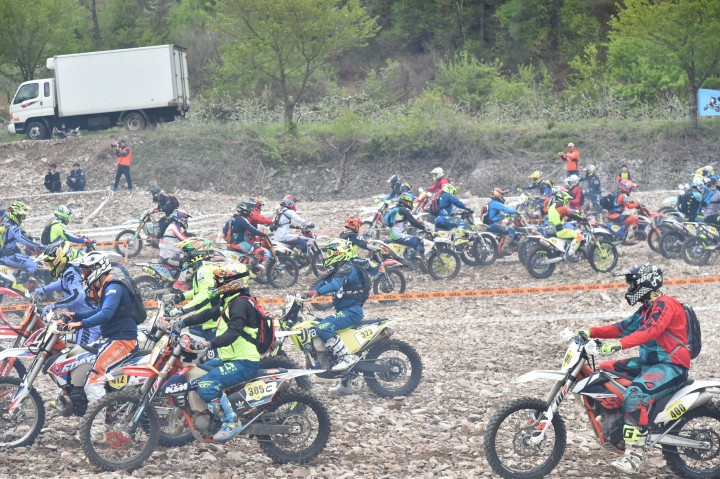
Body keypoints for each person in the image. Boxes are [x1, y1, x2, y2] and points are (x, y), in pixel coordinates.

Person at [576, 264, 690, 474]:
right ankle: (618, 422)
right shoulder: (647, 308)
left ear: (645, 282)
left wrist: (617, 345)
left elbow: (649, 332)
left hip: (671, 366)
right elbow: (621, 328)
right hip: (649, 364)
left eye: (632, 283)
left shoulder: (666, 304)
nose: (629, 288)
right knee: (604, 370)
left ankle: (634, 457)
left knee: (635, 395)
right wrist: (589, 332)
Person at [171, 263, 260, 441]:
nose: (217, 284)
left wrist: (209, 343)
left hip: (243, 361)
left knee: (206, 385)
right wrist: (183, 322)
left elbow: (234, 332)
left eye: (221, 280)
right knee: (196, 373)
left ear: (233, 283)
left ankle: (231, 421)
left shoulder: (240, 304)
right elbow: (207, 314)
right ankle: (207, 414)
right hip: (230, 358)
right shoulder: (230, 301)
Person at [63, 252, 138, 402]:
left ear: (98, 268)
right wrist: (76, 316)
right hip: (112, 338)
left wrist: (81, 324)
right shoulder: (107, 287)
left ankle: (97, 416)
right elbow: (99, 311)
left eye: (86, 271)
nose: (84, 275)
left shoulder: (114, 287)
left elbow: (105, 314)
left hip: (122, 341)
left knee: (93, 382)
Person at [306, 239, 369, 372]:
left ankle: (346, 358)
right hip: (345, 311)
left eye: (331, 253)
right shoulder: (338, 269)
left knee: (323, 328)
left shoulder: (348, 269)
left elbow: (335, 285)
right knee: (316, 323)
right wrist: (307, 294)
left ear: (340, 253)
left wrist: (317, 293)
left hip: (351, 312)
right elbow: (324, 282)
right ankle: (342, 377)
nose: (328, 256)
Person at [35, 242, 99, 344]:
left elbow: (79, 296)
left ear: (59, 260)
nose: (50, 267)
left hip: (89, 325)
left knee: (80, 352)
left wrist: (55, 305)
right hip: (80, 320)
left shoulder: (71, 273)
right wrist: (43, 290)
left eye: (51, 264)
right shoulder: (69, 271)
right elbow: (62, 283)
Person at [168, 238, 220, 340]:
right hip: (207, 321)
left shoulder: (204, 270)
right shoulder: (204, 268)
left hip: (213, 324)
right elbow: (199, 291)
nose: (185, 257)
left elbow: (205, 295)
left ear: (198, 253)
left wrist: (182, 310)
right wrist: (180, 297)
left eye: (188, 253)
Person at [0, 201, 45, 277]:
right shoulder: (13, 228)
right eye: (20, 216)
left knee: (29, 259)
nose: (21, 219)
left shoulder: (4, 225)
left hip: (5, 254)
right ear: (16, 214)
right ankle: (20, 283)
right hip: (8, 256)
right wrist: (39, 245)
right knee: (33, 264)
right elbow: (23, 239)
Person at [159, 209, 193, 289]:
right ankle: (179, 283)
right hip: (169, 256)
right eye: (185, 219)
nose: (186, 221)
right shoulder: (172, 227)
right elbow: (183, 239)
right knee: (189, 262)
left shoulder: (178, 227)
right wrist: (194, 246)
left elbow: (185, 238)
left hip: (171, 254)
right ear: (179, 218)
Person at [547, 189, 584, 260]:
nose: (568, 203)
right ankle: (570, 255)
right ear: (563, 199)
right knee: (578, 235)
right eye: (567, 200)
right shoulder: (561, 208)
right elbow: (571, 214)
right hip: (559, 230)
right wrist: (582, 219)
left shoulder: (552, 206)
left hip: (551, 229)